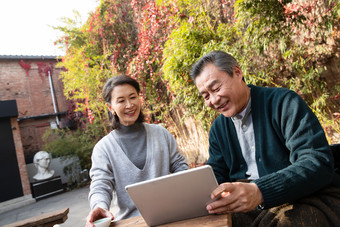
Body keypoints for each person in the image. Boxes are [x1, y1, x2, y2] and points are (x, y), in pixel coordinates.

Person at [190, 50, 340, 226]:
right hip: (251, 209)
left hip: (306, 197)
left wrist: (259, 190)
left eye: (216, 89)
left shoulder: (284, 103)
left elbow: (317, 162)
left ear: (238, 73)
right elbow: (216, 176)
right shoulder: (218, 129)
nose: (213, 100)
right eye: (206, 96)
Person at [86, 75, 188, 226]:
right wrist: (99, 206)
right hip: (131, 222)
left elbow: (180, 166)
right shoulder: (103, 148)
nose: (129, 105)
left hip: (170, 216)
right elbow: (101, 184)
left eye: (132, 97)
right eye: (121, 101)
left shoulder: (161, 133)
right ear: (110, 107)